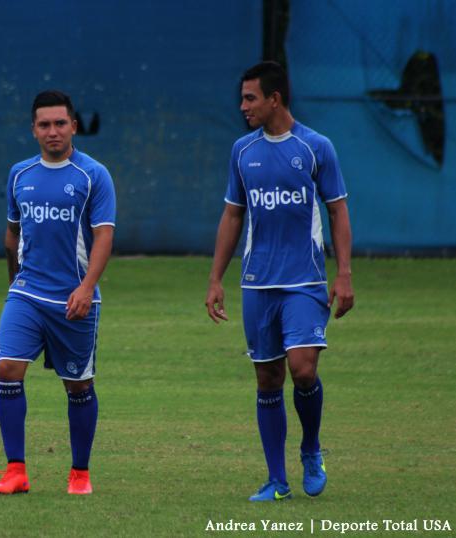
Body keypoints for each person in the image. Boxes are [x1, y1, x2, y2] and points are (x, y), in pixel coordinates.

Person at [205, 61, 354, 502]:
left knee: (302, 368)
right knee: (268, 379)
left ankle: (310, 448)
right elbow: (233, 214)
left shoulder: (315, 147)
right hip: (257, 284)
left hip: (305, 281)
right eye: (243, 97)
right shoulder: (242, 151)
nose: (243, 106)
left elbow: (338, 209)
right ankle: (276, 480)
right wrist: (216, 278)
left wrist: (343, 274)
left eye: (251, 98)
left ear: (275, 98)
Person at [0, 90, 116, 496]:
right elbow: (12, 235)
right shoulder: (20, 174)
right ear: (33, 130)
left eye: (60, 123)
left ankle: (79, 473)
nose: (53, 131)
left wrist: (86, 287)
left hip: (74, 300)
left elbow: (104, 236)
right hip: (26, 294)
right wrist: (13, 285)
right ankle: (15, 470)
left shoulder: (93, 175)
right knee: (8, 369)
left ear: (74, 126)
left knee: (78, 386)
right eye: (44, 125)